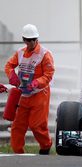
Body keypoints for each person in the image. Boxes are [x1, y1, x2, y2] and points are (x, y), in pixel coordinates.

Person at [4, 24, 55, 154]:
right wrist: (12, 75)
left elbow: (48, 75)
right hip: (23, 95)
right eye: (29, 39)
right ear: (24, 40)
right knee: (17, 126)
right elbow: (9, 66)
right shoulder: (20, 53)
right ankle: (18, 153)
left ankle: (46, 146)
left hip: (39, 95)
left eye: (34, 39)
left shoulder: (45, 54)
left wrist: (37, 82)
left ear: (37, 39)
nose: (32, 42)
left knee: (36, 125)